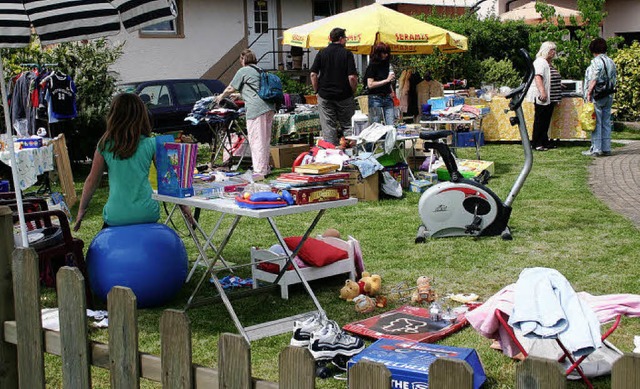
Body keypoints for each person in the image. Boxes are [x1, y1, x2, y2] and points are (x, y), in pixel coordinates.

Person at [74, 93, 160, 230]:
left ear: (113, 116)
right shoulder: (152, 144)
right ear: (142, 115)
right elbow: (168, 179)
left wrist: (81, 210)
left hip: (116, 215)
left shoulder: (105, 146)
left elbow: (92, 180)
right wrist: (184, 207)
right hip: (147, 213)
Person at [215, 49, 275, 177]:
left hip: (256, 110)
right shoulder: (259, 70)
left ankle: (259, 171)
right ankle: (265, 167)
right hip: (269, 107)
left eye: (240, 60)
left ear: (243, 59)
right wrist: (240, 96)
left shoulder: (243, 71)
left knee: (256, 140)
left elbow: (231, 87)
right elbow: (254, 91)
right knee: (265, 139)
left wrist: (221, 96)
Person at [310, 27, 359, 146]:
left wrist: (317, 90)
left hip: (325, 95)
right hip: (344, 95)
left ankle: (331, 155)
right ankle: (351, 154)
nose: (346, 41)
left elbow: (313, 74)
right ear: (341, 39)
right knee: (348, 125)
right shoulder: (347, 54)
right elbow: (352, 77)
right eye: (345, 38)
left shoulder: (322, 53)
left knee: (328, 127)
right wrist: (352, 91)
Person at [583, 37, 617, 157]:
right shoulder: (611, 61)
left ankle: (596, 149)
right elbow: (613, 79)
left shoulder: (596, 62)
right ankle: (606, 148)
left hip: (597, 95)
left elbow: (594, 77)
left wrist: (588, 93)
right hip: (608, 94)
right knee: (606, 121)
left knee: (596, 121)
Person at [526, 41, 562, 151]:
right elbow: (538, 77)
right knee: (540, 120)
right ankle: (537, 143)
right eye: (552, 50)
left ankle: (544, 141)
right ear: (546, 50)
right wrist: (542, 92)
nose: (554, 52)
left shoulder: (547, 62)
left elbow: (548, 77)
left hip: (550, 97)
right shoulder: (540, 62)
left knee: (545, 120)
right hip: (542, 96)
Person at [363, 42, 396, 125]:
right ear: (378, 53)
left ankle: (390, 137)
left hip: (387, 96)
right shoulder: (372, 66)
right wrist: (387, 80)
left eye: (387, 53)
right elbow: (370, 84)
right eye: (384, 53)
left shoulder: (387, 65)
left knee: (391, 125)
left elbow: (389, 82)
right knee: (375, 125)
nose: (386, 55)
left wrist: (392, 91)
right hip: (375, 98)